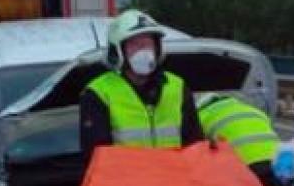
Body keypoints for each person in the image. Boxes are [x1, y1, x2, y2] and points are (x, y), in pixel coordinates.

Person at [79, 10, 202, 160]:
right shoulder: (98, 93)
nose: (143, 51)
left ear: (158, 48)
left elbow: (195, 147)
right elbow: (97, 159)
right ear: (118, 51)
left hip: (172, 180)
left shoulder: (177, 87)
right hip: (126, 182)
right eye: (134, 44)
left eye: (147, 43)